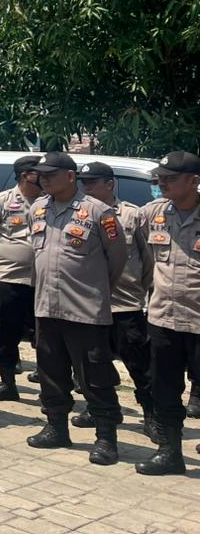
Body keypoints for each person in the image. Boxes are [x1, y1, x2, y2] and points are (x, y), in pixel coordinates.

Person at [25, 151, 126, 466]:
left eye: (50, 175)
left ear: (70, 176)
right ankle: (56, 427)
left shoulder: (98, 212)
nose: (44, 180)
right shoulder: (37, 208)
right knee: (50, 373)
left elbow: (117, 259)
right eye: (41, 175)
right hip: (46, 307)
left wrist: (96, 289)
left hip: (84, 310)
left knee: (95, 377)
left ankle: (106, 437)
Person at [74, 161, 154, 440]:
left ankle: (151, 414)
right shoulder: (78, 214)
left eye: (92, 183)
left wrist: (141, 292)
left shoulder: (132, 215)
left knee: (139, 365)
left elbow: (149, 260)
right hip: (89, 304)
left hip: (124, 303)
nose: (87, 188)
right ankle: (101, 409)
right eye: (84, 183)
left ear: (110, 184)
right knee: (93, 363)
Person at [134, 151, 200, 475]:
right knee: (164, 389)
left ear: (194, 181)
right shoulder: (153, 213)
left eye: (170, 178)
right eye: (160, 178)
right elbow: (138, 252)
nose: (162, 183)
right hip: (164, 319)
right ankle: (170, 452)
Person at [0, 154, 42, 401]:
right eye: (39, 172)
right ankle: (7, 383)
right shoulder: (1, 202)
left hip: (43, 282)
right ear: (25, 175)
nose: (44, 175)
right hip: (9, 280)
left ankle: (50, 387)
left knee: (45, 337)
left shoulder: (50, 201)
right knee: (7, 334)